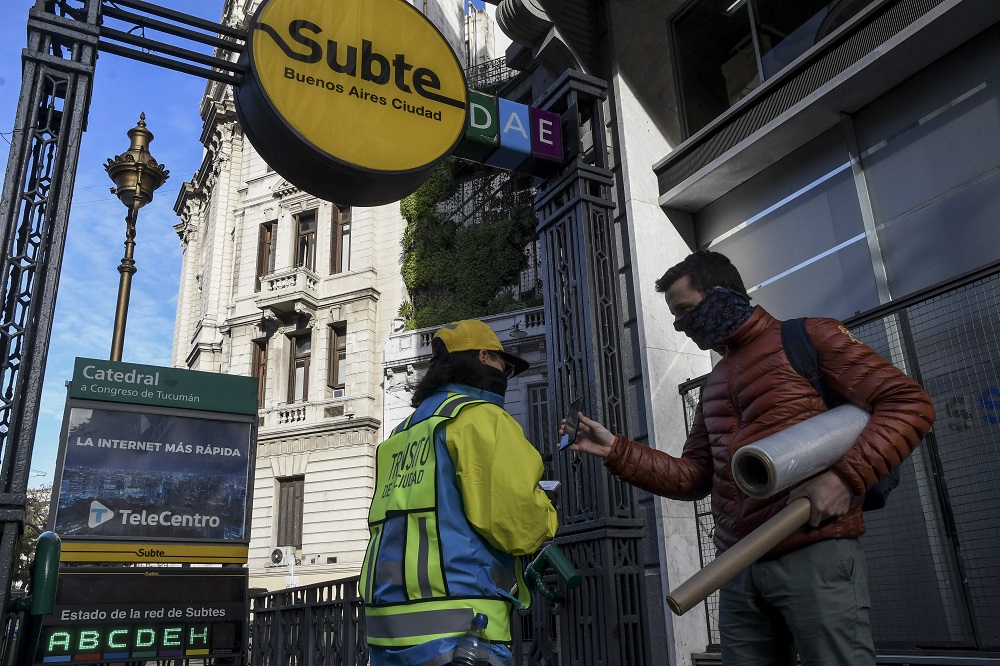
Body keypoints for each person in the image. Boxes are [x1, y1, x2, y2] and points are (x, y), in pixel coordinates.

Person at [563, 250, 935, 666]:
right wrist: (617, 450)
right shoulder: (715, 382)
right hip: (737, 563)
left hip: (812, 546)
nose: (681, 325)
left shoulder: (810, 337)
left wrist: (845, 480)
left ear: (720, 296)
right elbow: (695, 477)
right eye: (674, 315)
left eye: (686, 310)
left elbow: (909, 404)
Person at [362, 319, 558, 666]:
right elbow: (518, 526)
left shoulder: (400, 434)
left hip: (386, 631)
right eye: (504, 364)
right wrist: (547, 509)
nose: (505, 374)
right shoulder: (480, 418)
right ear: (484, 357)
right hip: (463, 631)